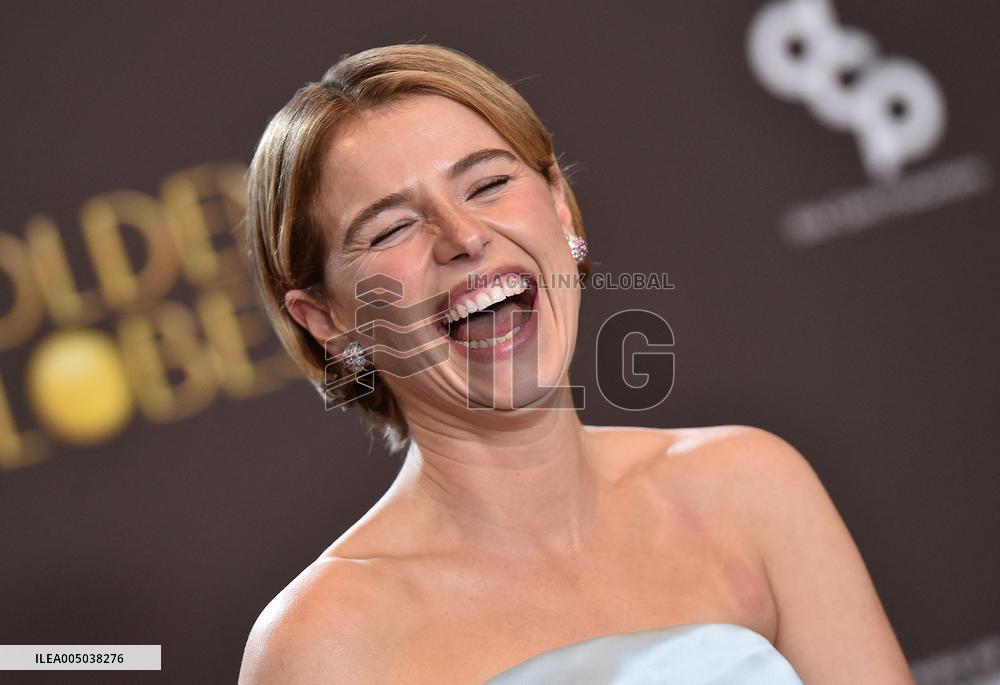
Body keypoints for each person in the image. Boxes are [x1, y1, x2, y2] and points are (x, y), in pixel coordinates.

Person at [237, 43, 914, 684]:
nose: (465, 236)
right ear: (328, 322)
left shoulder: (754, 488)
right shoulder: (323, 641)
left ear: (559, 203)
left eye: (488, 183)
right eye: (390, 229)